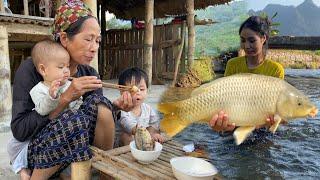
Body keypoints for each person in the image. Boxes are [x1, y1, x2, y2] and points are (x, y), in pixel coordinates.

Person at [10, 1, 135, 179]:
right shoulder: (34, 69)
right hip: (38, 151)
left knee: (101, 105)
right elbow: (20, 130)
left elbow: (96, 116)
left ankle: (102, 172)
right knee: (73, 119)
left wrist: (116, 107)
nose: (94, 47)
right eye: (88, 39)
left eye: (98, 40)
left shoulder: (89, 73)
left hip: (78, 146)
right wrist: (65, 98)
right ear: (64, 38)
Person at [7, 39, 83, 180]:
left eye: (67, 66)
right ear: (43, 69)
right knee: (20, 162)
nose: (66, 71)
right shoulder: (39, 89)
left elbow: (74, 108)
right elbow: (42, 109)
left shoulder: (67, 85)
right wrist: (53, 96)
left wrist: (77, 98)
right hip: (40, 136)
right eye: (61, 67)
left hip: (60, 132)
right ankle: (25, 172)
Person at [209, 15, 285, 133]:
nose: (246, 46)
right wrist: (222, 123)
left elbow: (277, 108)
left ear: (263, 38)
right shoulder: (233, 64)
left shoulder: (275, 70)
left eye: (252, 40)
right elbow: (224, 99)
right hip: (234, 123)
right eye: (243, 40)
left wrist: (271, 121)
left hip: (261, 128)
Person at [117, 67, 164, 146]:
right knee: (127, 136)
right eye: (132, 90)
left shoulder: (147, 108)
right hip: (124, 144)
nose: (138, 93)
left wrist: (154, 134)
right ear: (122, 91)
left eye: (142, 89)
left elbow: (154, 124)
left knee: (155, 131)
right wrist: (145, 133)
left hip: (142, 140)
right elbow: (129, 126)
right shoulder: (121, 109)